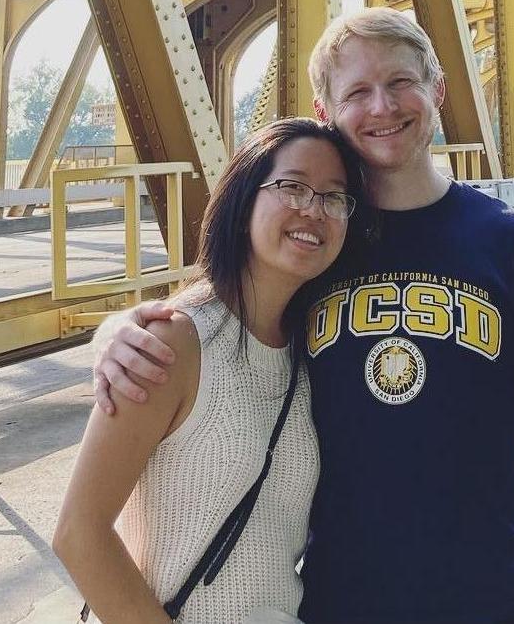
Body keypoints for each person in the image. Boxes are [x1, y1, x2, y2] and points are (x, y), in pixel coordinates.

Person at [93, 9, 514, 624]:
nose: (382, 106)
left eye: (400, 82)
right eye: (357, 91)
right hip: (337, 603)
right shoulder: (319, 243)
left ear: (437, 89)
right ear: (326, 111)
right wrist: (117, 332)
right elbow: (219, 310)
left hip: (492, 598)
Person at [54, 117, 367, 624]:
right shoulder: (172, 342)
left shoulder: (315, 354)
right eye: (293, 187)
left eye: (335, 198)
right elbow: (79, 533)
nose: (314, 209)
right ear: (243, 201)